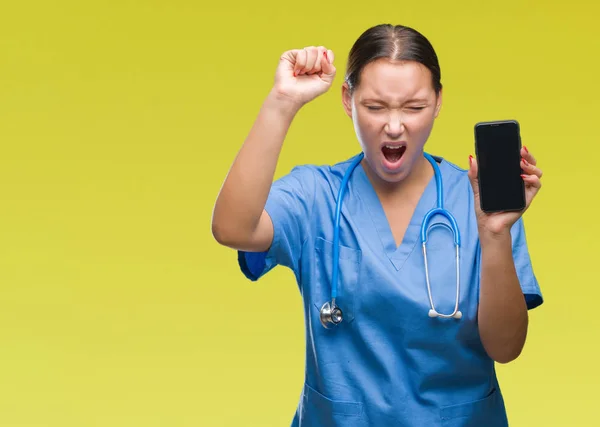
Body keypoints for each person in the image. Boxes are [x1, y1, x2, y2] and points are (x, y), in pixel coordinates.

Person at [211, 23, 543, 427]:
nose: (394, 125)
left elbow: (506, 347)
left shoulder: (477, 202)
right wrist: (283, 101)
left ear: (438, 102)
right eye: (376, 106)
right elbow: (232, 229)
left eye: (414, 107)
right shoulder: (316, 195)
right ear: (348, 100)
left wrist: (494, 235)